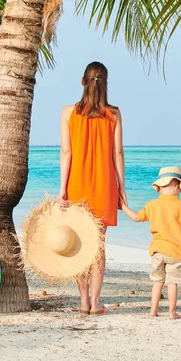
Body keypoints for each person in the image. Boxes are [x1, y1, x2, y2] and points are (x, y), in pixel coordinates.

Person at [58, 61, 127, 315]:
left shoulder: (68, 113)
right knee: (97, 246)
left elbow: (67, 152)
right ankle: (96, 303)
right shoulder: (115, 114)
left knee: (79, 245)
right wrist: (122, 188)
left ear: (82, 81)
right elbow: (117, 153)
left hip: (77, 184)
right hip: (105, 185)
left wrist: (62, 189)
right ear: (106, 84)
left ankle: (83, 302)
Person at [121, 166, 181, 319]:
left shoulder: (152, 205)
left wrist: (123, 207)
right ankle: (172, 312)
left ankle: (153, 311)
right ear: (177, 187)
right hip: (175, 252)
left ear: (160, 188)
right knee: (172, 283)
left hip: (157, 250)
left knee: (157, 282)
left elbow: (136, 218)